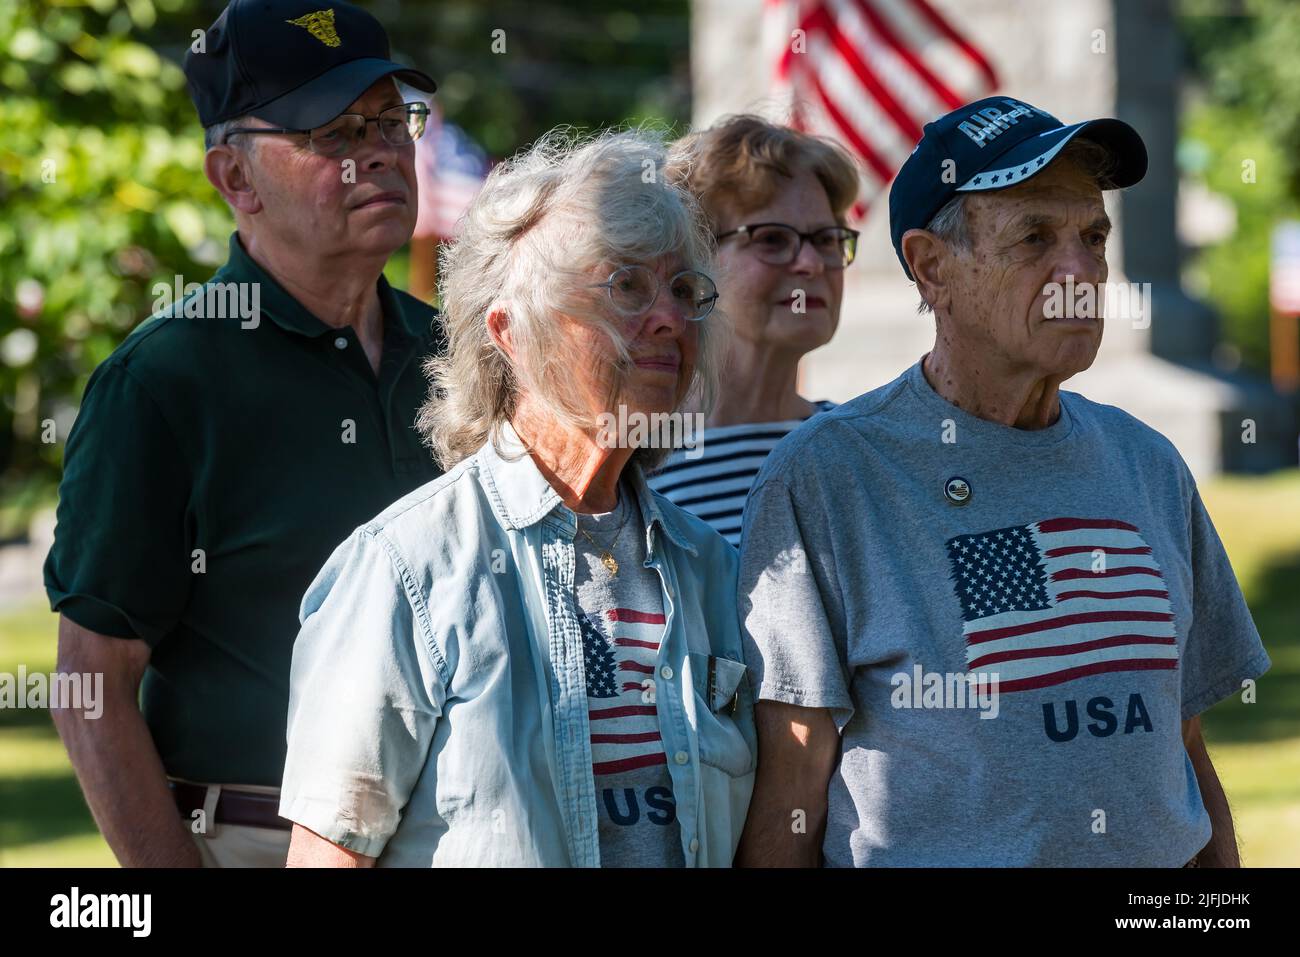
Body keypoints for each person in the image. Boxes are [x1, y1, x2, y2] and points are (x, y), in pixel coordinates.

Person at [735, 96, 1271, 867]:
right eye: (1035, 238)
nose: (1080, 271)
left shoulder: (1147, 463)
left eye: (1094, 236)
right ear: (931, 267)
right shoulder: (827, 480)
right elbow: (791, 794)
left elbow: (1182, 748)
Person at [278, 129, 756, 867]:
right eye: (626, 285)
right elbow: (328, 856)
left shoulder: (713, 569)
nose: (669, 317)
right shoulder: (406, 568)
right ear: (512, 331)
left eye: (685, 289)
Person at [44, 0, 443, 867]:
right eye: (330, 132)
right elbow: (87, 685)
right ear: (235, 178)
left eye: (387, 119)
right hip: (248, 843)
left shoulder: (463, 357)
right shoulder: (160, 383)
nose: (378, 150)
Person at [649, 116, 860, 546]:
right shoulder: (630, 461)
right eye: (771, 239)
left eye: (827, 239)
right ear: (694, 263)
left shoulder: (865, 450)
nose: (812, 263)